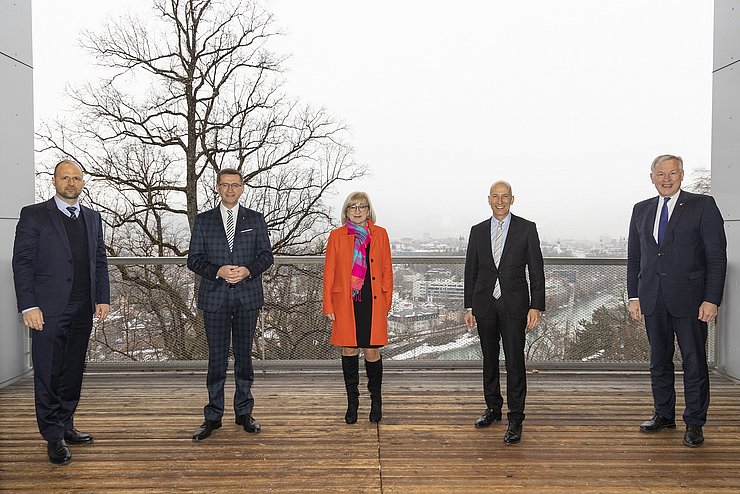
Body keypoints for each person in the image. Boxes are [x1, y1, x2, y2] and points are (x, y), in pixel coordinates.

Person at [12, 159, 111, 465]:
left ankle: (66, 424)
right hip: (47, 310)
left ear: (83, 182)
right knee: (48, 373)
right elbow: (22, 263)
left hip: (83, 309)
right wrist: (28, 305)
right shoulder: (34, 215)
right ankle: (52, 436)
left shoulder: (93, 218)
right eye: (65, 177)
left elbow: (100, 262)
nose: (71, 182)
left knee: (71, 372)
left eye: (76, 178)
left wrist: (102, 298)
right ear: (54, 181)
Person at [628, 154, 727, 448]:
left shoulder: (702, 205)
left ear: (681, 175)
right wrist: (633, 296)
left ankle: (695, 423)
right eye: (660, 174)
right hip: (652, 299)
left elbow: (717, 257)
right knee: (659, 361)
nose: (666, 179)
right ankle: (663, 415)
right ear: (652, 177)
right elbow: (636, 257)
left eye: (672, 173)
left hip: (691, 300)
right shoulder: (641, 210)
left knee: (694, 363)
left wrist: (712, 299)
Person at [187, 168, 273, 441]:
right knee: (216, 360)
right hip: (215, 298)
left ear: (243, 187)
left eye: (235, 185)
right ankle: (213, 416)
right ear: (217, 188)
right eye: (225, 185)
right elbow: (194, 259)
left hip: (247, 297)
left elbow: (266, 256)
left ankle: (244, 412)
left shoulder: (255, 219)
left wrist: (248, 270)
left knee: (245, 359)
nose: (230, 190)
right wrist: (218, 270)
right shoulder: (204, 221)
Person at [463, 180, 545, 444]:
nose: (500, 201)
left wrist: (536, 306)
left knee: (514, 362)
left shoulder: (527, 228)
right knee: (489, 359)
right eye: (495, 197)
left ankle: (516, 418)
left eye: (505, 196)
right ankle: (493, 408)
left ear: (513, 199)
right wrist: (469, 306)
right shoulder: (477, 231)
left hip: (514, 305)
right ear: (488, 199)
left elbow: (536, 271)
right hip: (484, 303)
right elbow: (470, 271)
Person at [323, 192, 393, 424]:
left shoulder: (380, 234)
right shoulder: (336, 236)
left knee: (372, 351)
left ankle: (376, 401)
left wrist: (387, 300)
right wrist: (328, 304)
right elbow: (329, 272)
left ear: (368, 210)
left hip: (373, 300)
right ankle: (352, 402)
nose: (357, 210)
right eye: (352, 207)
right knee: (349, 350)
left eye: (362, 206)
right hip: (345, 301)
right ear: (346, 211)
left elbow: (386, 269)